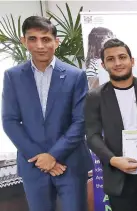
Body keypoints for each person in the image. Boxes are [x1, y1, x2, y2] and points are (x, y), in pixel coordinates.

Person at [1, 15, 91, 211]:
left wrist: (54, 155)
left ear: (56, 42)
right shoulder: (12, 76)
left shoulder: (76, 76)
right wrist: (40, 157)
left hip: (70, 163)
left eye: (46, 39)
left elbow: (81, 121)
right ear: (24, 41)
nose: (40, 45)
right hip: (34, 165)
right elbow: (10, 121)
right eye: (33, 39)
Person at [85, 38, 137, 211]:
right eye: (111, 59)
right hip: (118, 176)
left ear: (132, 60)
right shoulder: (95, 96)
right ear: (103, 65)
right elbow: (92, 135)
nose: (117, 63)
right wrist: (113, 160)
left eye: (122, 57)